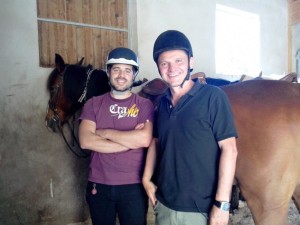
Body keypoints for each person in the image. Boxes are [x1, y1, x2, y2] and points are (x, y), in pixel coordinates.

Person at [142, 30, 238, 225]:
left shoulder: (213, 97)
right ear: (159, 69)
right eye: (164, 63)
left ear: (191, 62)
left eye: (178, 60)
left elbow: (229, 149)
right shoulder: (162, 103)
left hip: (200, 210)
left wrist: (222, 204)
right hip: (165, 204)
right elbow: (156, 141)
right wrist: (146, 178)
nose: (171, 68)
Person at [79, 47, 154, 225]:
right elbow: (85, 141)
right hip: (99, 185)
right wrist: (130, 140)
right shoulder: (93, 104)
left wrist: (104, 133)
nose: (122, 75)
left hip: (134, 187)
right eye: (116, 69)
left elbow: (144, 139)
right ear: (108, 72)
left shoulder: (144, 105)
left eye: (128, 70)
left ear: (134, 74)